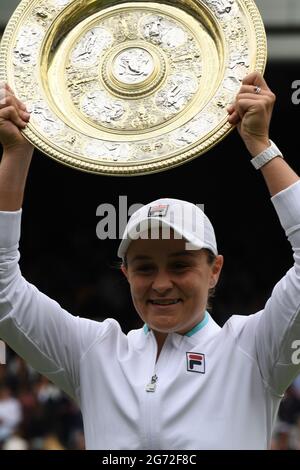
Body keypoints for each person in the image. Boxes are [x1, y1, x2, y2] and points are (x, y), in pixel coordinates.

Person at [0, 72, 300, 450]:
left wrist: (261, 146)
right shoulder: (95, 352)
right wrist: (16, 154)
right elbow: (2, 291)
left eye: (179, 265)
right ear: (125, 274)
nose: (160, 283)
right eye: (144, 267)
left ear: (215, 271)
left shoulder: (254, 349)